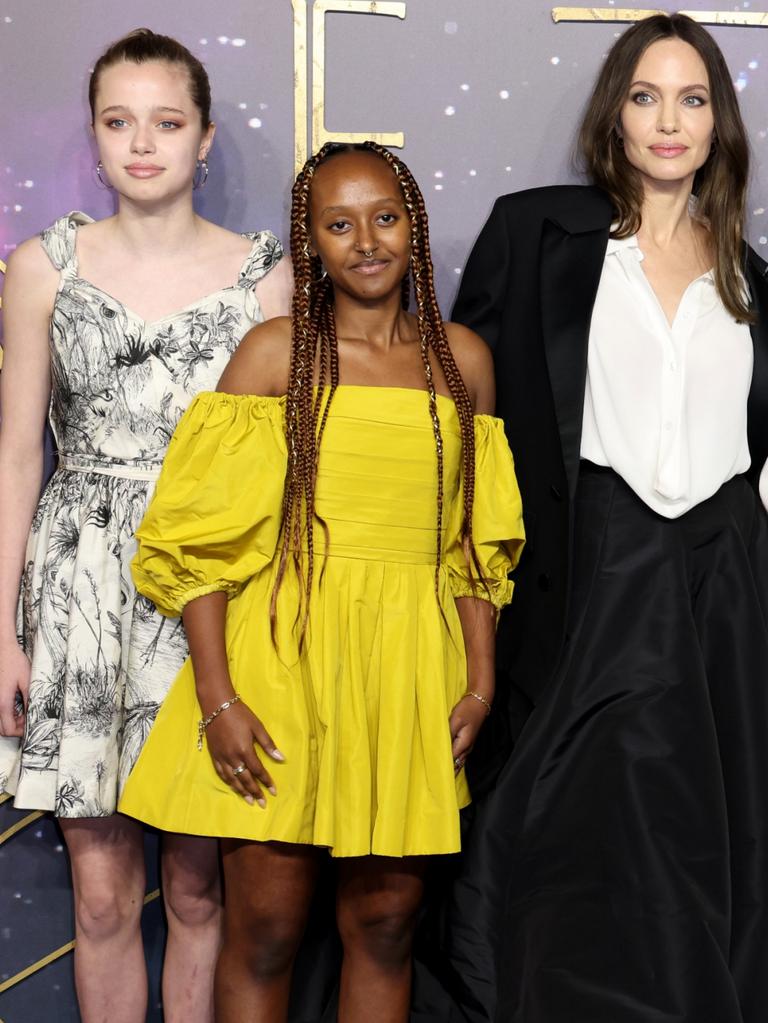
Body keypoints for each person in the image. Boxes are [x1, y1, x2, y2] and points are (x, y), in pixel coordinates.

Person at [117, 140, 524, 1023]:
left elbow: (474, 547)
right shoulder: (273, 356)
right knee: (265, 929)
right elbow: (201, 546)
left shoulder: (464, 362)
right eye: (339, 224)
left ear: (413, 226)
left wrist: (481, 683)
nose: (366, 240)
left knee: (384, 925)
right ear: (310, 243)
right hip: (283, 668)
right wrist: (219, 700)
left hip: (411, 673)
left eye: (385, 217)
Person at [444, 13, 768, 1023]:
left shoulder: (754, 280)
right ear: (613, 115)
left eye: (693, 98)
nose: (668, 121)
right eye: (645, 96)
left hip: (723, 591)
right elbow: (471, 432)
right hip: (589, 579)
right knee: (571, 829)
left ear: (719, 122)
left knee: (709, 838)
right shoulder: (539, 234)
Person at [0, 28, 291, 1023]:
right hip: (77, 589)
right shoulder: (44, 268)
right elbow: (17, 456)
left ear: (203, 137)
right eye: (119, 122)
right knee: (102, 892)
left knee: (205, 888)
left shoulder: (270, 281)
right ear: (93, 137)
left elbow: (285, 477)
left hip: (210, 594)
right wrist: (3, 629)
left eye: (166, 122)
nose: (143, 143)